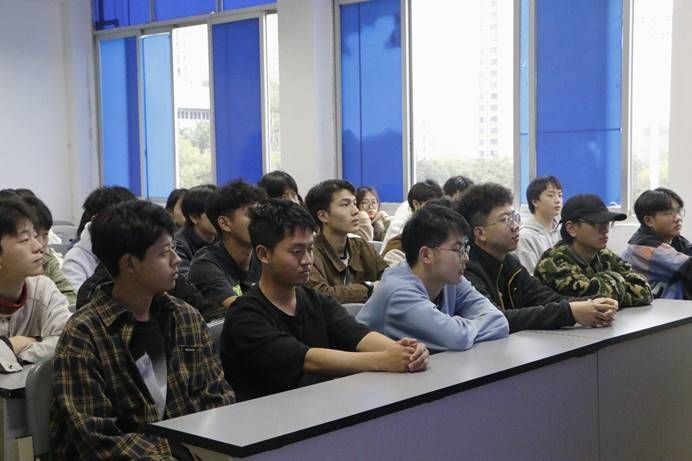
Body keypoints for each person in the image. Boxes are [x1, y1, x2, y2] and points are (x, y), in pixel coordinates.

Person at [51, 200, 234, 460]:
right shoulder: (84, 334)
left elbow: (218, 398)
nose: (176, 260)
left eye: (174, 248)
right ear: (129, 263)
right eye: (164, 253)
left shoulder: (185, 317)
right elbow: (98, 438)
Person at [220, 199, 429, 401]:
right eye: (296, 251)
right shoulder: (245, 315)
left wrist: (405, 351)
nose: (307, 260)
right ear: (263, 254)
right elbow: (307, 359)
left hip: (321, 407)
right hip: (268, 417)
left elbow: (357, 335)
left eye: (310, 249)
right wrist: (383, 360)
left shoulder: (316, 300)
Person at [455, 184, 619, 332]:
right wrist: (570, 312)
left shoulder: (509, 263)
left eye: (515, 217)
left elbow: (544, 297)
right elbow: (497, 319)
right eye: (506, 220)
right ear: (480, 233)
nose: (515, 226)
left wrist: (594, 302)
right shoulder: (466, 269)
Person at [356, 204, 509, 351]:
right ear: (426, 255)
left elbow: (499, 321)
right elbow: (456, 338)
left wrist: (460, 327)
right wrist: (464, 327)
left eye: (465, 249)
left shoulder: (449, 279)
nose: (466, 258)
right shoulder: (399, 293)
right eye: (458, 250)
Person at [535, 194, 653, 307]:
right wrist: (616, 280)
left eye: (607, 223)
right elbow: (591, 301)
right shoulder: (554, 262)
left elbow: (645, 290)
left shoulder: (603, 254)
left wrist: (606, 284)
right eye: (597, 223)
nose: (605, 230)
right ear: (571, 228)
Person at [0, 198, 71, 372]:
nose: (39, 246)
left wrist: (13, 349)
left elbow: (69, 340)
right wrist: (36, 341)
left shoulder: (42, 288)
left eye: (35, 235)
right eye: (25, 239)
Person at [305, 180, 388, 303]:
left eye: (354, 203)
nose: (355, 211)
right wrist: (369, 288)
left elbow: (391, 278)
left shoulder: (361, 246)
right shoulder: (308, 253)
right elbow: (321, 295)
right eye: (345, 205)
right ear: (323, 216)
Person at [189, 180, 266, 308]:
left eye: (260, 214)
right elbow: (239, 309)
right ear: (224, 223)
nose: (260, 221)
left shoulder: (265, 255)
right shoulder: (205, 264)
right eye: (251, 215)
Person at [63, 186, 136, 293]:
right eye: (123, 222)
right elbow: (78, 301)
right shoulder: (75, 260)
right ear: (96, 221)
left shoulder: (136, 251)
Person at [622, 188, 692, 299]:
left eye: (678, 211)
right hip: (653, 308)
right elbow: (688, 267)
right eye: (669, 213)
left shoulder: (674, 239)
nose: (678, 218)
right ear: (648, 221)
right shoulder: (644, 247)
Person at [21, 195, 77, 304]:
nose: (40, 244)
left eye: (45, 235)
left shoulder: (48, 261)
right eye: (34, 235)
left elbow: (71, 299)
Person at [514, 176, 563, 273]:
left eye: (560, 195)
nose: (557, 200)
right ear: (535, 202)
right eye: (551, 195)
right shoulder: (525, 237)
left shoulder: (562, 231)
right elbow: (530, 275)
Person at [380, 179, 444, 253]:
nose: (436, 208)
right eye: (431, 204)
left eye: (439, 204)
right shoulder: (402, 230)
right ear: (416, 204)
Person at [174, 184, 217, 276]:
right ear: (194, 217)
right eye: (214, 212)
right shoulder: (179, 245)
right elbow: (186, 281)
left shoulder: (224, 237)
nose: (220, 217)